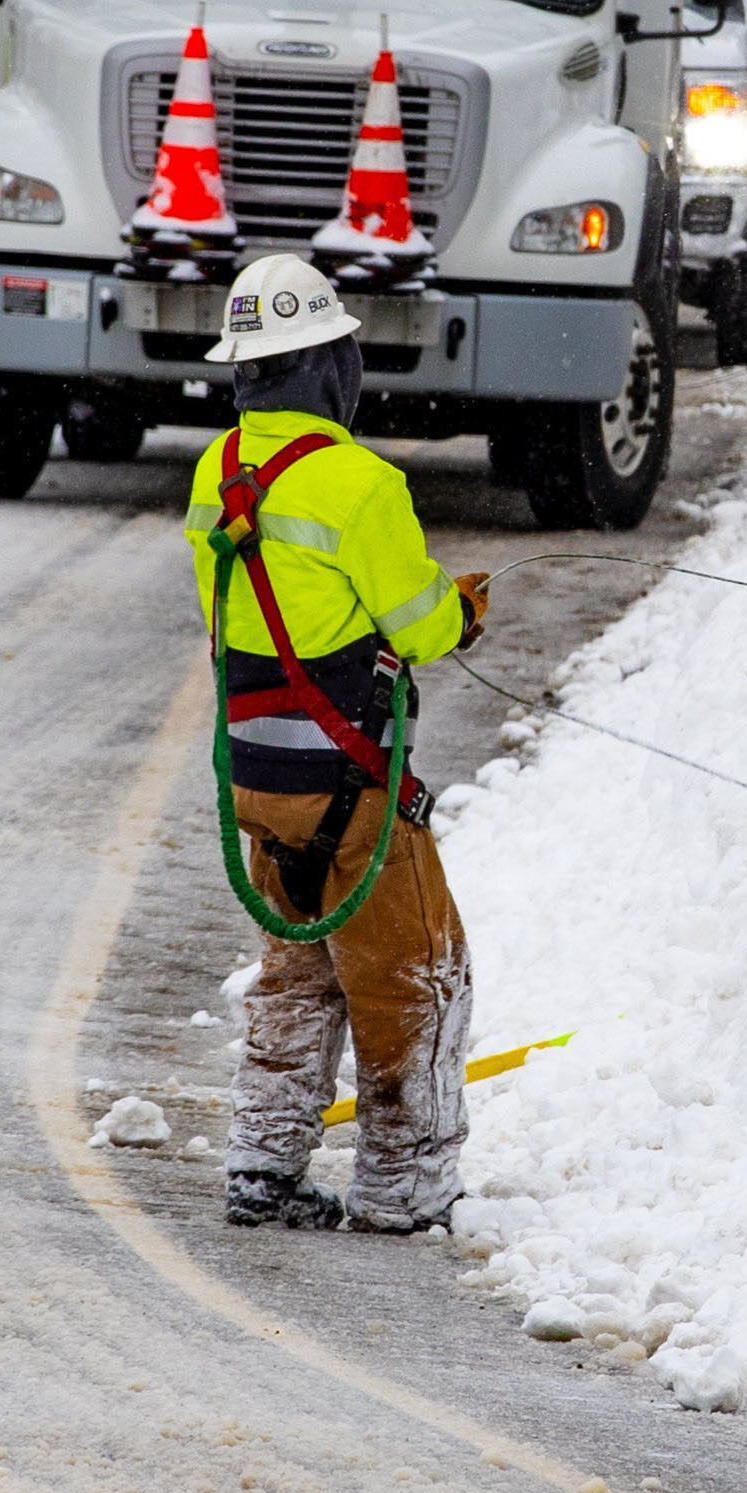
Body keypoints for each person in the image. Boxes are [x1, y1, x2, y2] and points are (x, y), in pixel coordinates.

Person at [185, 252, 491, 1232]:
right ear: (325, 366)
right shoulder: (361, 484)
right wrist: (460, 609)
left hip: (263, 785)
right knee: (420, 976)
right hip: (350, 788)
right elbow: (420, 626)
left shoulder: (216, 471)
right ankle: (403, 1187)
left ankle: (262, 1164)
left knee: (300, 971)